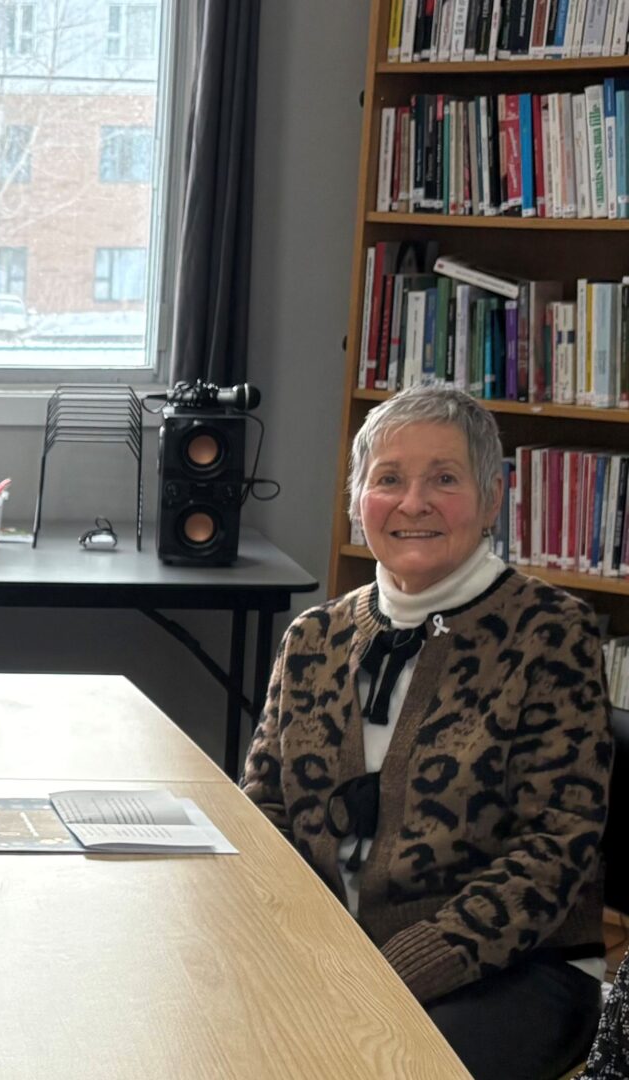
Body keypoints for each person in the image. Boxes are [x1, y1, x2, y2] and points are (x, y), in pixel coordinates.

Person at [241, 383, 610, 1080]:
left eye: (445, 478)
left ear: (492, 498)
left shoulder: (550, 634)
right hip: (334, 954)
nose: (413, 503)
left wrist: (395, 970)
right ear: (357, 501)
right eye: (388, 479)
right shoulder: (313, 637)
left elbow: (556, 850)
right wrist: (300, 948)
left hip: (515, 967)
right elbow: (264, 813)